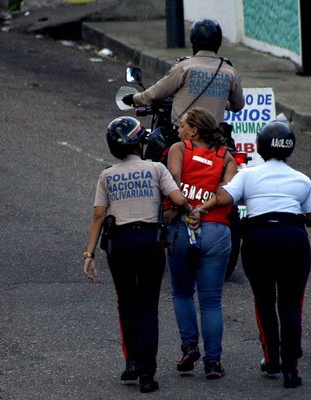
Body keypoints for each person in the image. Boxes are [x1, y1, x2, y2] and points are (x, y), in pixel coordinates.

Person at [190, 121, 311, 389]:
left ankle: (272, 360)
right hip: (294, 240)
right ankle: (291, 369)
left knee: (265, 302)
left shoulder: (248, 175)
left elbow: (224, 197)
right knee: (292, 305)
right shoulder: (302, 179)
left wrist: (201, 209)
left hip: (258, 241)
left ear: (259, 147)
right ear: (290, 148)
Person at [83, 116, 192, 393]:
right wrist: (191, 212)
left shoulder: (107, 175)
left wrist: (89, 254)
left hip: (118, 244)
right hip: (149, 241)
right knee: (147, 308)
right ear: (140, 142)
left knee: (127, 304)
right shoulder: (156, 169)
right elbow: (178, 200)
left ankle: (131, 363)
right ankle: (147, 375)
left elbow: (98, 216)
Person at [165, 107, 237, 379]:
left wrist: (187, 210)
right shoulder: (225, 157)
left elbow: (173, 182)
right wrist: (203, 210)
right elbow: (227, 193)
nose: (179, 129)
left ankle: (189, 346)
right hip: (217, 231)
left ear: (193, 131)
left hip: (183, 229)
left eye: (183, 125)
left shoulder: (179, 150)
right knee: (211, 302)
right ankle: (213, 363)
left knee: (182, 293)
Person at [121, 18, 244, 129]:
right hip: (215, 139)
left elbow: (154, 93)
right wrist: (221, 101)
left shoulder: (184, 67)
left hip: (184, 138)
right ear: (218, 42)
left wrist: (134, 98)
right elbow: (238, 105)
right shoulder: (229, 71)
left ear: (193, 41)